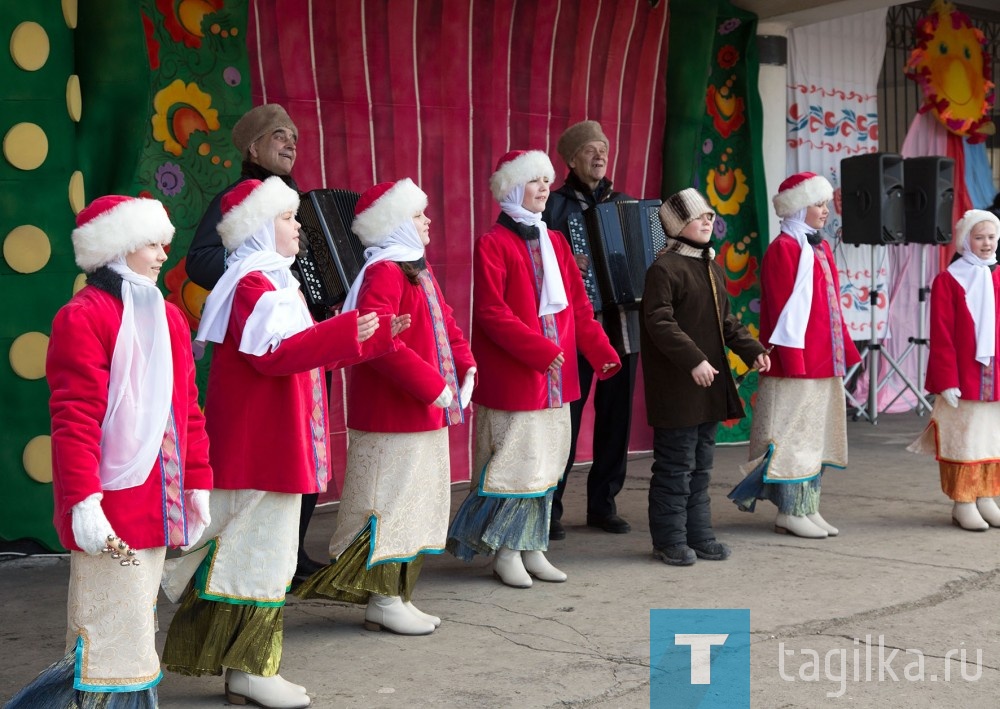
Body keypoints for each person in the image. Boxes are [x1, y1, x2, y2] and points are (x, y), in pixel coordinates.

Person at [160, 177, 402, 709]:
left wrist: (366, 334)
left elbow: (307, 352)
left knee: (261, 555)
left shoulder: (273, 282)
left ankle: (247, 667)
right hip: (261, 446)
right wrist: (345, 331)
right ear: (258, 228)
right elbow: (274, 354)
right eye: (289, 218)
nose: (299, 227)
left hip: (276, 441)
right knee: (258, 556)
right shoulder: (252, 285)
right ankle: (249, 668)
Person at [6, 196, 212, 708]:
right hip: (112, 502)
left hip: (158, 498)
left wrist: (198, 480)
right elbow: (74, 416)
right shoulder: (84, 316)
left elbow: (188, 408)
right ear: (117, 248)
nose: (163, 253)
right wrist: (83, 500)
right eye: (149, 243)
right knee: (108, 626)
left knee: (138, 620)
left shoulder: (168, 317)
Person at [295, 179, 476, 635]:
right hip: (393, 413)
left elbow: (445, 321)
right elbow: (378, 342)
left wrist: (465, 362)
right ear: (395, 224)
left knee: (413, 504)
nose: (428, 221)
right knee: (389, 505)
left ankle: (397, 593)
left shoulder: (414, 267)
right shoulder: (384, 272)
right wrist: (433, 384)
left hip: (421, 410)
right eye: (418, 215)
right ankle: (380, 596)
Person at [447, 150, 620, 588]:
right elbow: (490, 312)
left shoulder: (556, 241)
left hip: (557, 380)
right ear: (511, 188)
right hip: (519, 377)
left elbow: (579, 307)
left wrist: (601, 351)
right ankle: (506, 551)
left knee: (549, 463)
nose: (544, 188)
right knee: (516, 463)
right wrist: (538, 350)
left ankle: (533, 546)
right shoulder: (493, 243)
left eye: (546, 180)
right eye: (534, 181)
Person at [185, 103, 323, 581]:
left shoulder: (303, 203)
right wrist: (256, 270)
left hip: (304, 334)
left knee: (307, 446)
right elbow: (200, 259)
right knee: (272, 451)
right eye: (279, 136)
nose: (291, 144)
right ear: (253, 147)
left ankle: (294, 551)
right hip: (264, 337)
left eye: (295, 138)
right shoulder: (236, 202)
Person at [728, 172, 861, 538]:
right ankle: (789, 510)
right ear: (798, 208)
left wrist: (842, 350)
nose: (824, 211)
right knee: (792, 438)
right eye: (817, 204)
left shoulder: (819, 247)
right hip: (796, 364)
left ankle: (807, 505)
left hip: (822, 359)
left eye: (823, 204)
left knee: (814, 437)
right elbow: (784, 313)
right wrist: (794, 362)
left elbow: (831, 305)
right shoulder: (783, 250)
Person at [641, 189, 770, 565]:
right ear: (678, 225)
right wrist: (694, 359)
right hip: (678, 387)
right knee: (675, 466)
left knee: (700, 467)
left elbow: (726, 321)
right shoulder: (663, 270)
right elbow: (658, 322)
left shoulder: (710, 267)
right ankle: (668, 539)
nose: (708, 221)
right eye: (699, 217)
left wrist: (753, 349)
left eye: (711, 216)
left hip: (708, 387)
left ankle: (699, 535)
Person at [543, 120, 637, 539]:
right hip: (574, 330)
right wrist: (566, 264)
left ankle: (604, 504)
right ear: (571, 159)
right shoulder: (553, 207)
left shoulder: (626, 204)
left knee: (616, 419)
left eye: (603, 148)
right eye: (589, 150)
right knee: (567, 420)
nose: (600, 156)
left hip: (621, 327)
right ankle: (551, 509)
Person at [908, 210, 1000, 531]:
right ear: (965, 241)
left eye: (991, 237)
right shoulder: (950, 279)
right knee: (966, 437)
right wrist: (945, 378)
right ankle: (964, 501)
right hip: (965, 375)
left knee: (991, 437)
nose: (986, 243)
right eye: (979, 237)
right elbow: (942, 332)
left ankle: (987, 496)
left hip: (995, 378)